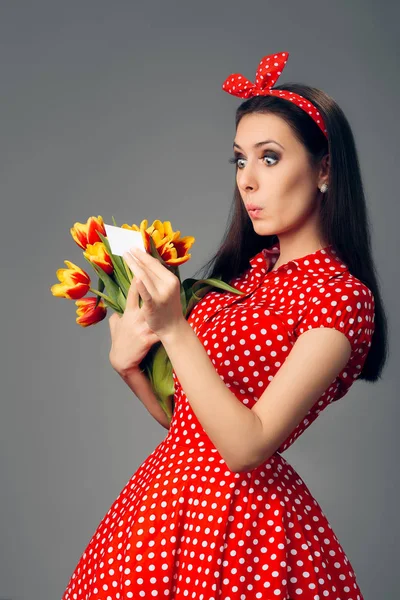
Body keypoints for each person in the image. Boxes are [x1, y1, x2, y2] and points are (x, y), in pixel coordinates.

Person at [61, 51, 388, 600]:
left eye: (270, 158)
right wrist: (129, 369)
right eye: (240, 161)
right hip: (160, 513)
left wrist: (175, 329)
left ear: (325, 168)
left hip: (244, 530)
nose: (249, 182)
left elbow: (246, 446)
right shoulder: (246, 275)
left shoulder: (340, 298)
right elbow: (193, 423)